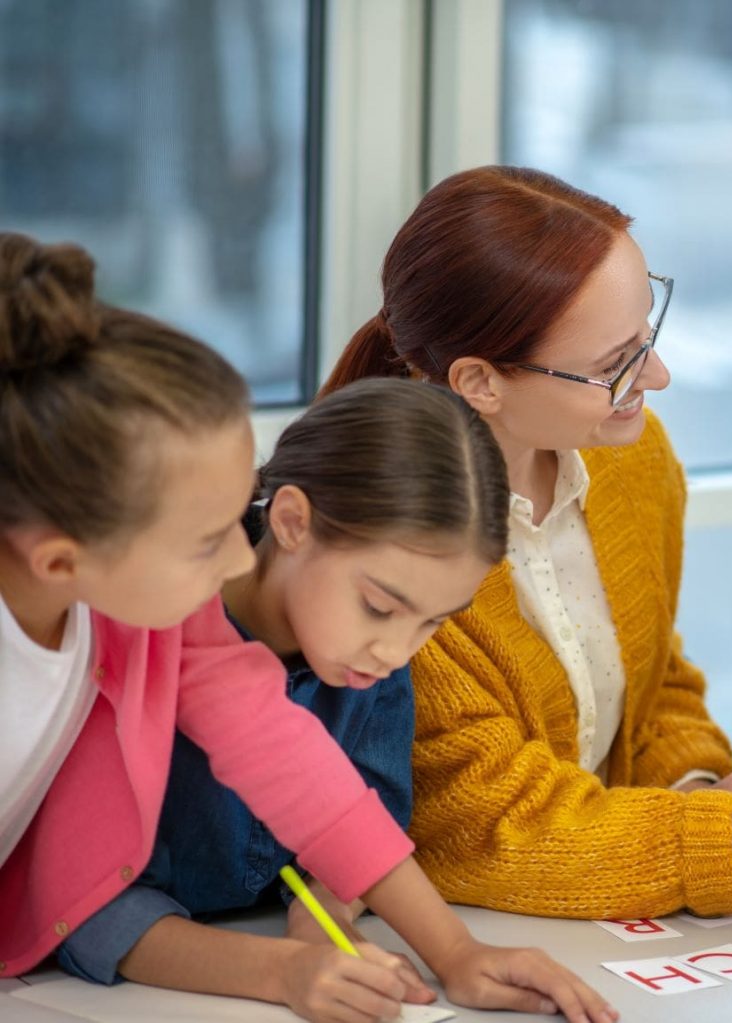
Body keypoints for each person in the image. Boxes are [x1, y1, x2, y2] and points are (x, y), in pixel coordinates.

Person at [0, 233, 615, 1023]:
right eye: (206, 536)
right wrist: (280, 969)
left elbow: (296, 766)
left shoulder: (158, 618)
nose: (235, 559)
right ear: (60, 560)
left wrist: (456, 952)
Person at [321, 165, 732, 919]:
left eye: (647, 334)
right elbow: (494, 831)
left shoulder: (633, 461)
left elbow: (654, 677)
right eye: (614, 366)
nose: (661, 375)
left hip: (611, 921)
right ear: (480, 381)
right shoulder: (393, 556)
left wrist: (699, 786)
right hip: (472, 929)